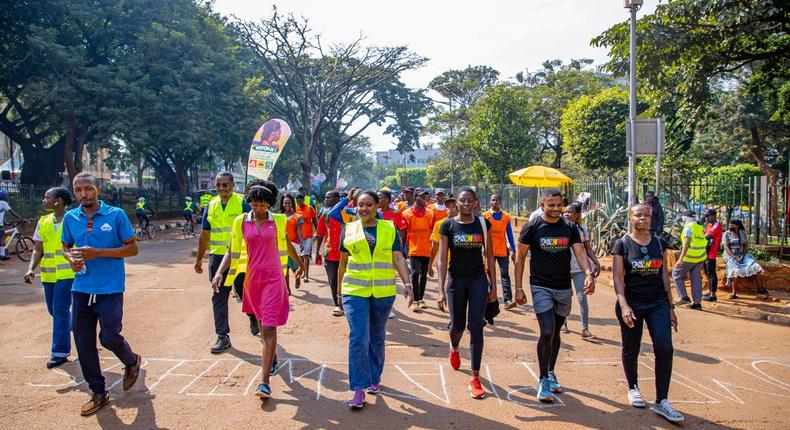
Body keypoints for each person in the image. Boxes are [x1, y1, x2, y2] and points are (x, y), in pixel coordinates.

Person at [213, 180, 304, 399]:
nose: (259, 208)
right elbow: (231, 250)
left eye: (263, 205)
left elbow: (287, 245)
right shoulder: (241, 222)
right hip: (252, 282)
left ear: (270, 204)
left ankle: (264, 382)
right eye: (255, 204)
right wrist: (219, 273)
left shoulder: (279, 221)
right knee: (262, 329)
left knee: (270, 328)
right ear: (250, 203)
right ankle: (271, 359)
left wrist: (299, 265)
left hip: (274, 280)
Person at [61, 172, 142, 416]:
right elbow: (66, 246)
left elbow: (133, 249)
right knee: (83, 340)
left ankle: (131, 360)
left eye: (88, 188)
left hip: (110, 289)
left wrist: (98, 252)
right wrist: (71, 258)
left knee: (108, 336)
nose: (83, 194)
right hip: (82, 288)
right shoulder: (70, 218)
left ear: (98, 189)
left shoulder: (115, 215)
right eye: (78, 190)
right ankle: (98, 392)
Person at [514, 188, 595, 403]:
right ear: (542, 205)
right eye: (551, 205)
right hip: (540, 286)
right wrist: (518, 287)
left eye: (559, 205)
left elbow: (580, 253)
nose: (556, 209)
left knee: (556, 331)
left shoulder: (570, 228)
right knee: (547, 330)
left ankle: (550, 370)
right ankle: (543, 380)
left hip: (563, 288)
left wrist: (588, 273)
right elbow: (520, 258)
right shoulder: (532, 227)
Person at [337, 191, 414, 408]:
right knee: (359, 337)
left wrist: (408, 284)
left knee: (377, 337)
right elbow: (343, 263)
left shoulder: (389, 229)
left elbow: (398, 257)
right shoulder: (349, 230)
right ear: (355, 206)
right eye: (360, 205)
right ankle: (358, 389)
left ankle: (373, 378)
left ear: (377, 206)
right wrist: (338, 293)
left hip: (382, 293)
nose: (364, 209)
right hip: (354, 291)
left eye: (369, 205)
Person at [612, 203, 684, 423]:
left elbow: (664, 276)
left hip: (657, 303)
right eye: (638, 215)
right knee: (631, 347)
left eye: (646, 215)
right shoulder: (622, 244)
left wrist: (671, 307)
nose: (642, 219)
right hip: (632, 303)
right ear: (630, 218)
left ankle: (662, 401)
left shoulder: (659, 243)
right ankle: (633, 387)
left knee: (664, 347)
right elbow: (617, 278)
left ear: (651, 218)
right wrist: (623, 305)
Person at [436, 188, 496, 399]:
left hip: (478, 280)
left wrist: (494, 288)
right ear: (456, 203)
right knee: (457, 325)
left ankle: (475, 377)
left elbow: (490, 257)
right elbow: (442, 260)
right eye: (463, 200)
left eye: (470, 200)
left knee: (476, 326)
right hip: (456, 280)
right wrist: (441, 289)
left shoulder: (483, 224)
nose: (467, 204)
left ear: (476, 203)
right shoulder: (448, 225)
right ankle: (454, 346)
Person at [194, 172, 251, 353]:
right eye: (218, 185)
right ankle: (222, 336)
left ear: (233, 185)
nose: (221, 189)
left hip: (240, 257)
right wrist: (199, 259)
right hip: (218, 258)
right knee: (218, 295)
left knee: (245, 293)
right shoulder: (211, 205)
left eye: (225, 185)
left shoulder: (242, 203)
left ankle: (253, 316)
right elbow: (205, 234)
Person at [23, 187, 75, 368]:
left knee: (60, 310)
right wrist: (31, 269)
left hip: (68, 273)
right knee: (54, 311)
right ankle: (75, 324)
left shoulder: (73, 219)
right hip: (48, 275)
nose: (43, 200)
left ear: (58, 201)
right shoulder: (43, 221)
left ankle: (59, 352)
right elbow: (38, 249)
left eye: (47, 197)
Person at [562, 203, 601, 340]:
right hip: (564, 269)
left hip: (579, 269)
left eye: (570, 212)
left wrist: (596, 262)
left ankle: (585, 329)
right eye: (565, 212)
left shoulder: (582, 229)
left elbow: (588, 249)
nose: (566, 214)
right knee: (565, 297)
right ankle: (563, 323)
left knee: (582, 298)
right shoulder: (560, 228)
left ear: (577, 214)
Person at [402, 188, 435, 312]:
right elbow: (403, 234)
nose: (423, 199)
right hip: (413, 249)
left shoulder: (430, 214)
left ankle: (421, 299)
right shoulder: (406, 213)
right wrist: (402, 250)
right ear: (415, 197)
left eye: (425, 197)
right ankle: (415, 300)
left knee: (423, 274)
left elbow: (433, 231)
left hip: (426, 248)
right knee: (415, 273)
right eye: (421, 196)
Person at [483, 194, 518, 309]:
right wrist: (482, 249)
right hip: (489, 252)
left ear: (500, 201)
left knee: (505, 275)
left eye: (497, 199)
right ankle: (489, 297)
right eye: (493, 199)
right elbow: (482, 235)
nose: (495, 201)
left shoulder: (506, 216)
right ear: (490, 202)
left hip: (503, 250)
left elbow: (510, 235)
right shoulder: (485, 216)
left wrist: (513, 250)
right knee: (488, 275)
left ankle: (508, 300)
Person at [315, 190, 345, 316]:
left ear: (337, 199)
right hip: (330, 253)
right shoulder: (325, 215)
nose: (325, 200)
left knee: (345, 280)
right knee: (333, 280)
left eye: (328, 197)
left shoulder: (347, 214)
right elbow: (320, 234)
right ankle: (338, 305)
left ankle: (348, 303)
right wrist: (317, 252)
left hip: (346, 253)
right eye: (325, 198)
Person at [723, 219, 768, 298]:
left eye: (732, 225)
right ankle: (734, 293)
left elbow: (745, 246)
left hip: (741, 255)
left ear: (737, 226)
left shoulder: (742, 233)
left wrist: (742, 256)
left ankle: (760, 289)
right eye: (729, 225)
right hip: (730, 255)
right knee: (734, 270)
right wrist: (733, 256)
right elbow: (726, 247)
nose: (730, 226)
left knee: (755, 266)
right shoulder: (726, 234)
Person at [672, 210, 706, 310]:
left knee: (676, 274)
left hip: (690, 256)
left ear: (685, 217)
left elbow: (686, 244)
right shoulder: (699, 227)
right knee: (696, 279)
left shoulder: (688, 227)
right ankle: (697, 303)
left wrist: (680, 260)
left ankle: (684, 297)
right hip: (700, 257)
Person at [428, 198, 458, 276]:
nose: (451, 209)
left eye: (453, 206)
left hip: (460, 264)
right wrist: (430, 264)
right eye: (448, 206)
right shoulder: (439, 224)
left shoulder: (464, 223)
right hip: (443, 263)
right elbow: (435, 246)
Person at [282, 193, 303, 291]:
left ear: (292, 203)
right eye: (285, 203)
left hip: (294, 245)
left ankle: (297, 278)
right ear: (282, 204)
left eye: (289, 203)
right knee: (284, 268)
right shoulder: (279, 217)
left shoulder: (297, 217)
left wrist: (302, 242)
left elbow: (299, 231)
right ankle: (287, 289)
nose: (287, 205)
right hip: (282, 246)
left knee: (295, 268)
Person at [702, 209, 723, 302]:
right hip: (706, 251)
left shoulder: (717, 226)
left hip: (712, 252)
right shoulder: (709, 225)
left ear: (713, 216)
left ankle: (713, 295)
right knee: (707, 272)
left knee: (711, 273)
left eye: (707, 216)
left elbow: (706, 236)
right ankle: (710, 291)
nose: (706, 218)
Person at [295, 193, 317, 282]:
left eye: (300, 201)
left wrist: (319, 232)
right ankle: (301, 271)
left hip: (308, 235)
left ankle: (306, 275)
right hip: (298, 236)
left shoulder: (310, 209)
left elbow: (315, 221)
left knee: (306, 255)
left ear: (303, 200)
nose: (299, 202)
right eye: (297, 201)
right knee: (300, 256)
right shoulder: (295, 209)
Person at [0, 188, 24, 260]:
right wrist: (22, 219)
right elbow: (12, 212)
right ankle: (2, 255)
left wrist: (5, 222)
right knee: (2, 238)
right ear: (2, 196)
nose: (6, 197)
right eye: (5, 195)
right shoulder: (3, 203)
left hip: (1, 223)